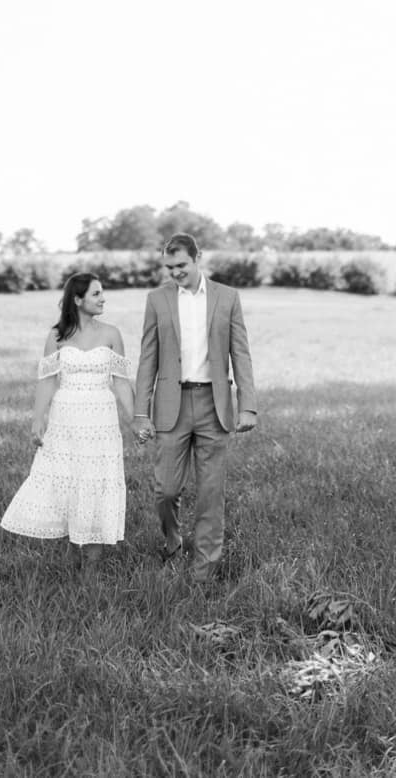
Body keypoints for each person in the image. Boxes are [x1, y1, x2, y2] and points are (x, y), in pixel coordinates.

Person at [132, 233, 257, 582]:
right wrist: (140, 412)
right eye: (169, 267)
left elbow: (241, 353)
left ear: (198, 258)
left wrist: (247, 405)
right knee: (165, 489)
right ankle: (172, 542)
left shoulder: (227, 297)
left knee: (210, 492)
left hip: (213, 404)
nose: (175, 272)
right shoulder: (157, 300)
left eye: (181, 265)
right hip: (171, 404)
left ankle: (204, 569)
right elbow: (148, 358)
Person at [0, 272, 135, 574]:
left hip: (101, 421)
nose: (103, 299)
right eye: (96, 294)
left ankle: (92, 567)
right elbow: (47, 380)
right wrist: (38, 420)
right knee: (70, 482)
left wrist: (135, 419)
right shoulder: (57, 336)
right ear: (78, 299)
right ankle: (74, 549)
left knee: (96, 484)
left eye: (102, 293)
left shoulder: (112, 333)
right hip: (65, 420)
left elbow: (122, 382)